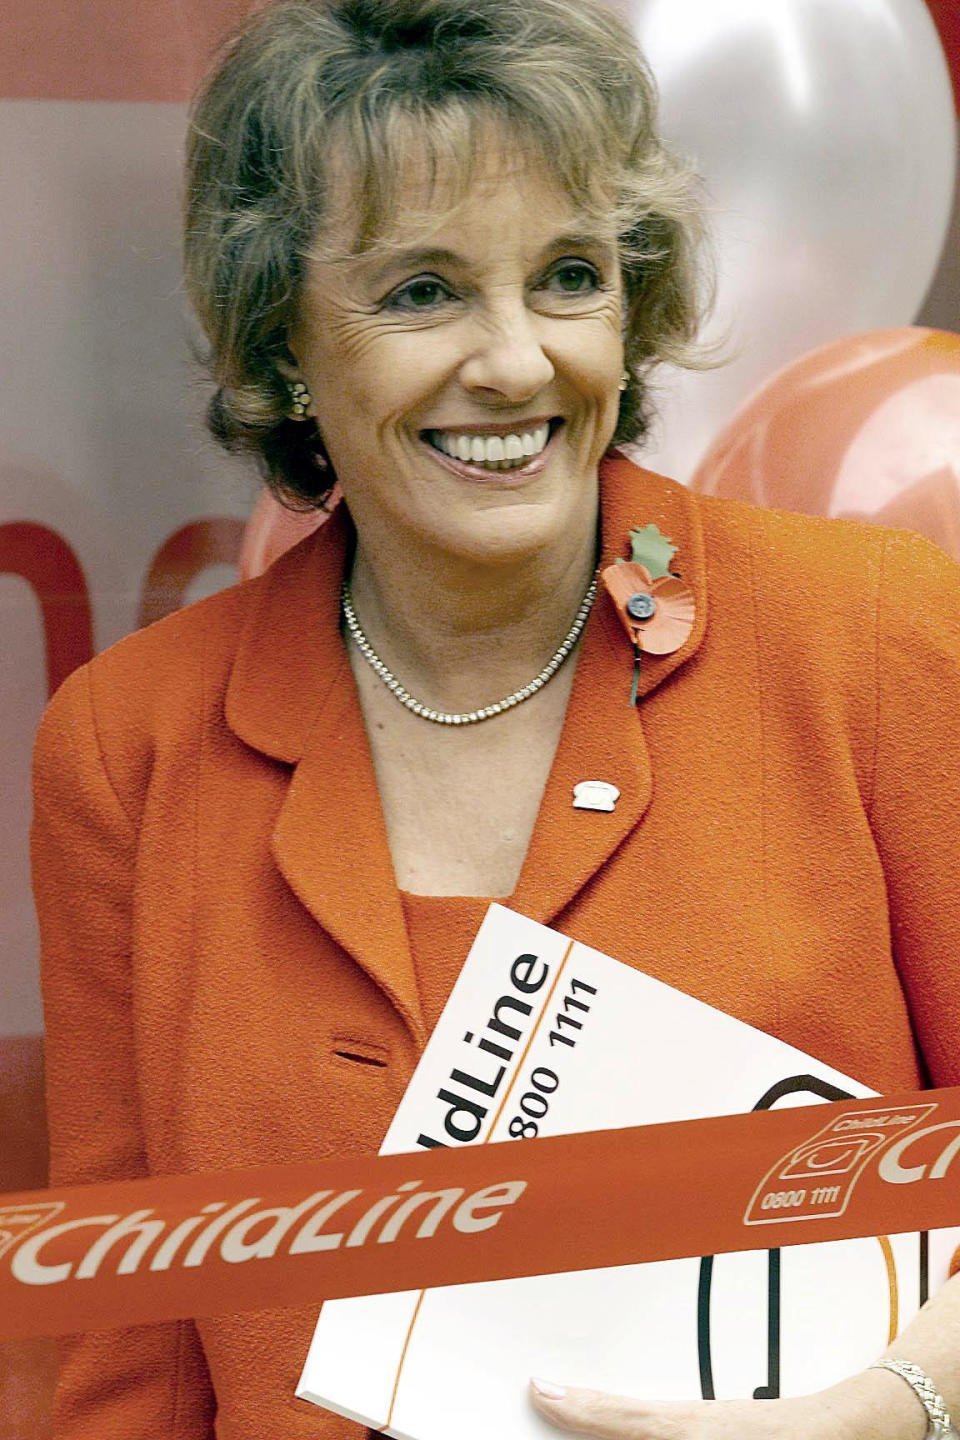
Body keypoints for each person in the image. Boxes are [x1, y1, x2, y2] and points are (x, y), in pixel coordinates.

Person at [31, 0, 960, 1435]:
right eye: (423, 292)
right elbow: (125, 1371)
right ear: (282, 345)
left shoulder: (874, 640)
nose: (518, 364)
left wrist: (897, 1407)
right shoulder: (127, 749)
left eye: (568, 277)